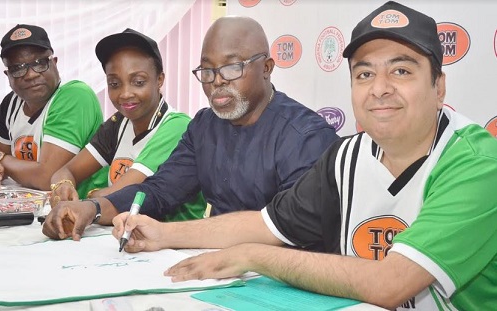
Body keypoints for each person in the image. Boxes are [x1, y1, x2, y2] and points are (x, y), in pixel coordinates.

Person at [112, 2, 497, 310]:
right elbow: (266, 224)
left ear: (439, 85)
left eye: (400, 70)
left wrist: (254, 257)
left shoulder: (476, 163)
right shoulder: (346, 155)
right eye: (364, 74)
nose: (379, 88)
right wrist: (162, 234)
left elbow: (391, 283)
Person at [44, 16, 338, 241]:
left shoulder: (305, 137)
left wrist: (170, 237)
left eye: (232, 67)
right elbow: (159, 191)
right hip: (217, 266)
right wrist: (93, 208)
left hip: (282, 279)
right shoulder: (204, 127)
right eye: (207, 70)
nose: (217, 81)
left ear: (267, 68)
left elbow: (286, 228)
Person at [42, 29, 205, 235]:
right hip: (120, 235)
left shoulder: (176, 126)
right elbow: (65, 171)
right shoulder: (119, 124)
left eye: (138, 82)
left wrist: (87, 199)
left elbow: (125, 194)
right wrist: (62, 187)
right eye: (114, 84)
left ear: (160, 79)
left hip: (172, 244)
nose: (125, 94)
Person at [0, 24, 106, 195]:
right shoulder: (11, 103)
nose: (31, 74)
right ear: (8, 75)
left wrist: (0, 158)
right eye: (18, 68)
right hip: (29, 209)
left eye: (39, 63)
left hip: (83, 210)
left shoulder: (75, 96)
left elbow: (48, 177)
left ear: (54, 63)